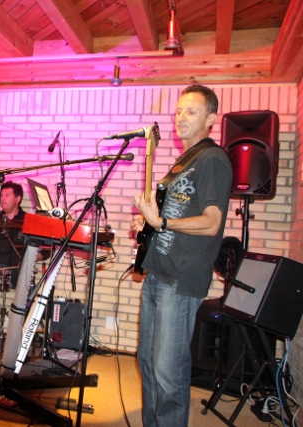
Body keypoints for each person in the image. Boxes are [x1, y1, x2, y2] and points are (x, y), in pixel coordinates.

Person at [130, 85, 233, 427]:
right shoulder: (184, 161)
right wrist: (148, 222)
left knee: (168, 371)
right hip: (158, 273)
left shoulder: (213, 159)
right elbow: (171, 216)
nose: (181, 118)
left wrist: (162, 222)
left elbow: (212, 222)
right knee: (147, 362)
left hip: (180, 280)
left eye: (191, 111)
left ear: (210, 118)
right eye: (178, 111)